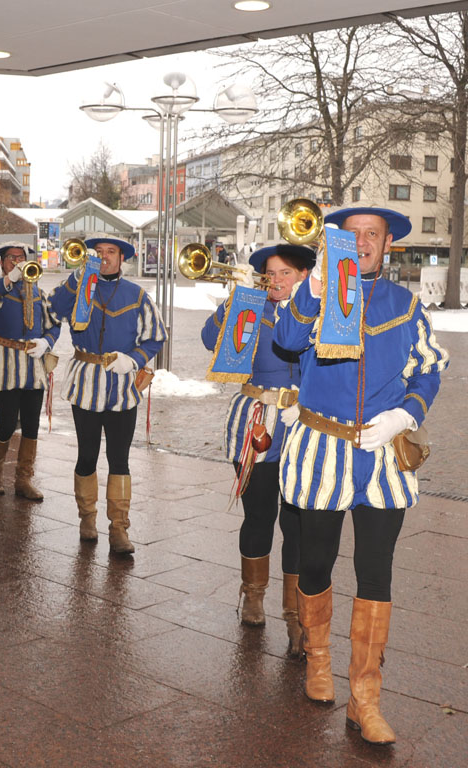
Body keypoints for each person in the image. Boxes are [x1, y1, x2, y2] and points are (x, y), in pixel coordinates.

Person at [274, 207, 449, 745]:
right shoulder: (316, 294)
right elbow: (286, 339)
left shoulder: (406, 305)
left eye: (373, 234)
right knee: (316, 562)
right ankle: (318, 661)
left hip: (382, 455)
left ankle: (365, 699)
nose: (364, 242)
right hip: (321, 448)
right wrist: (313, 288)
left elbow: (428, 368)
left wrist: (406, 415)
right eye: (353, 234)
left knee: (376, 572)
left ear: (388, 244)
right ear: (339, 242)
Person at [201, 244, 313, 657]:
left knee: (298, 524)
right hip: (257, 420)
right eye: (271, 273)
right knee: (259, 514)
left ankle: (295, 614)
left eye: (286, 273)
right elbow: (210, 339)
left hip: (304, 423)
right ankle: (253, 595)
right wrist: (236, 300)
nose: (277, 280)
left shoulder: (319, 313)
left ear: (304, 276)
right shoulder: (253, 307)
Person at [49, 234, 166, 555]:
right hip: (86, 383)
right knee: (87, 455)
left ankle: (119, 528)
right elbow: (54, 309)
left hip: (122, 386)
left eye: (110, 252)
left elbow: (156, 337)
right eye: (98, 252)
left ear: (121, 258)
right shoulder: (78, 287)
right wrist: (77, 277)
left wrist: (134, 359)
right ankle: (87, 518)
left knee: (119, 458)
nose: (104, 256)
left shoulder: (137, 295)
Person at [0, 241, 60, 500]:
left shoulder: (39, 293)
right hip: (5, 361)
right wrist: (8, 280)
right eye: (11, 258)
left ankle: (24, 479)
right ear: (2, 263)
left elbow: (54, 324)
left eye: (21, 257)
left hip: (33, 364)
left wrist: (46, 342)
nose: (17, 261)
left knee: (32, 422)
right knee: (7, 422)